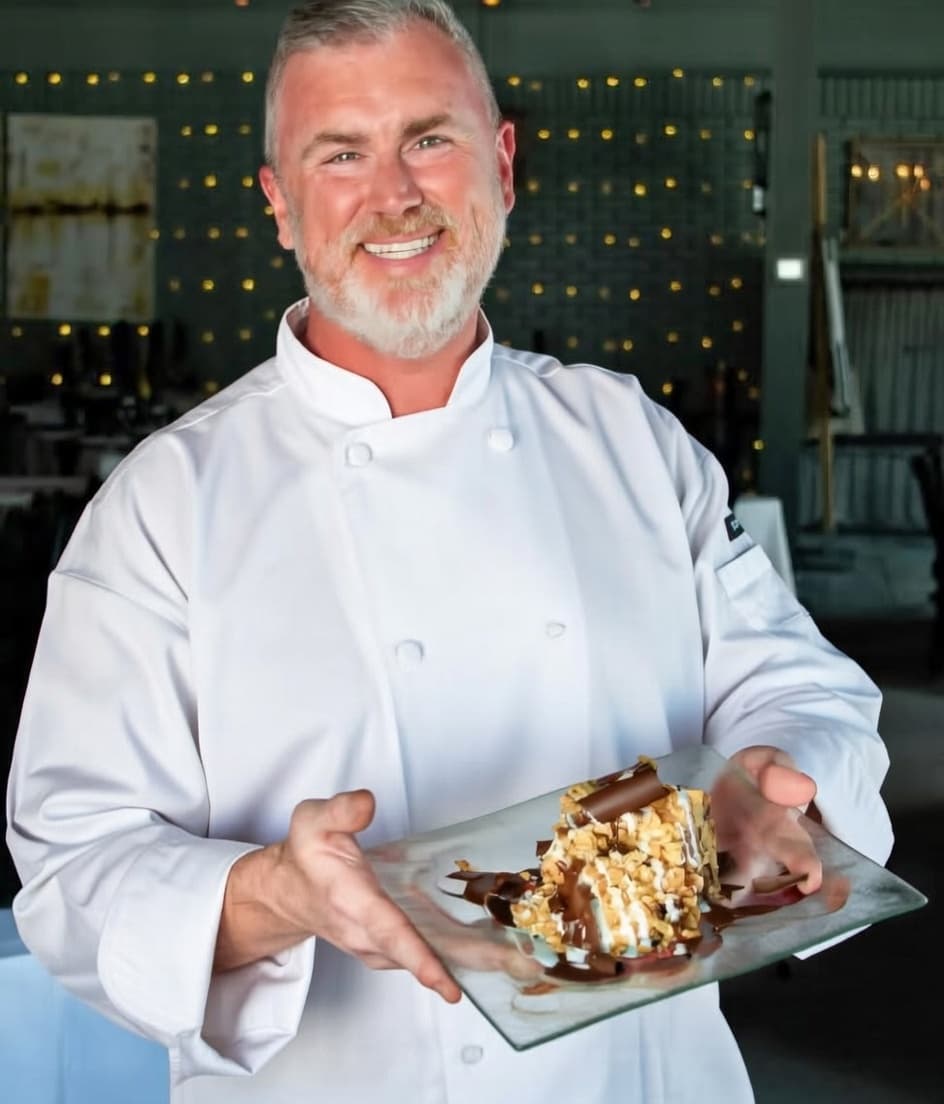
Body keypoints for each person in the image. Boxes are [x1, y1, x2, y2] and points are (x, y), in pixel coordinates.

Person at [6, 2, 892, 1101]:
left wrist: (778, 773)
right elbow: (73, 869)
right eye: (342, 155)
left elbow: (800, 690)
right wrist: (274, 895)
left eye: (430, 138)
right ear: (279, 206)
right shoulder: (166, 505)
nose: (394, 197)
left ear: (502, 164)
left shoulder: (628, 439)